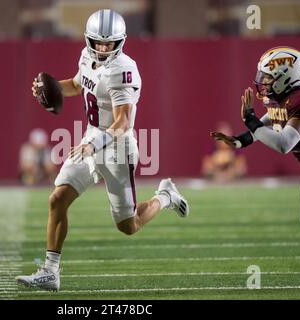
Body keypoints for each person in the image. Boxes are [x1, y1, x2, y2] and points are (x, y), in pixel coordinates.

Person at [16, 9, 190, 291]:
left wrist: (92, 144)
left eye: (109, 43)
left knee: (129, 225)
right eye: (98, 42)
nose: (103, 48)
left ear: (120, 42)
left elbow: (122, 122)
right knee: (57, 199)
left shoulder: (124, 70)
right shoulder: (86, 56)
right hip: (91, 137)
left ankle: (165, 197)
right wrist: (49, 89)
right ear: (89, 40)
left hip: (116, 148)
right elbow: (76, 84)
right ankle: (50, 271)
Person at [212, 46, 300, 244]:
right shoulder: (279, 97)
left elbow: (284, 144)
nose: (262, 81)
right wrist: (241, 140)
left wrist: (251, 122)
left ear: (286, 77)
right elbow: (271, 118)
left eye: (267, 76)